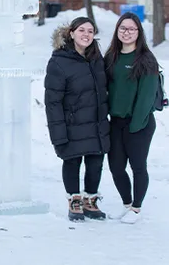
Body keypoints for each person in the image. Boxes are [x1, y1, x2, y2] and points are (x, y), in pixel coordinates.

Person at [44, 17, 110, 222]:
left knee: (95, 162)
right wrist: (58, 133)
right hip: (72, 123)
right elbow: (53, 102)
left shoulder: (98, 59)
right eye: (82, 30)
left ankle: (90, 199)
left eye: (90, 31)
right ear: (71, 33)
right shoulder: (58, 61)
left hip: (96, 122)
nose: (86, 35)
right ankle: (74, 200)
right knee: (72, 161)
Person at [105, 12, 158, 224]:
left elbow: (146, 96)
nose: (127, 33)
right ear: (117, 31)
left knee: (138, 166)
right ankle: (127, 205)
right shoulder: (111, 57)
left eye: (131, 29)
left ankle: (136, 209)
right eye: (123, 29)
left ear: (139, 32)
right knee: (116, 167)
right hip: (115, 122)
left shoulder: (145, 59)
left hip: (139, 123)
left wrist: (135, 126)